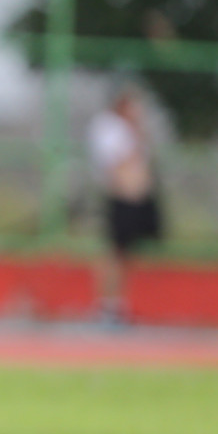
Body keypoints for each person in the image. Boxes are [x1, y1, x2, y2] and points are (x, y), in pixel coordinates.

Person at [86, 84, 162, 325]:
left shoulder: (131, 129)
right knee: (114, 252)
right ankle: (108, 306)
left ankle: (118, 304)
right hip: (121, 197)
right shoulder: (109, 127)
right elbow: (116, 163)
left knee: (128, 254)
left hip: (137, 198)